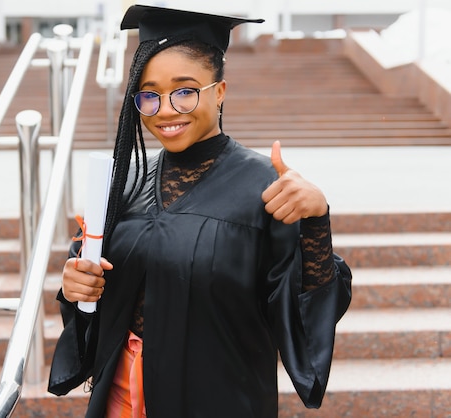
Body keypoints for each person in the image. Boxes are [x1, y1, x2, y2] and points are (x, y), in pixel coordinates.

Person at [48, 4, 352, 418]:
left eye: (185, 91)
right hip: (121, 401)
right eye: (149, 95)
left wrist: (316, 218)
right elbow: (91, 294)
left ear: (220, 91)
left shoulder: (264, 187)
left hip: (219, 399)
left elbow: (306, 307)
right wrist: (74, 288)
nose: (166, 109)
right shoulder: (128, 183)